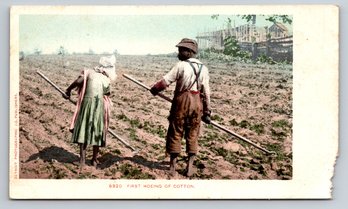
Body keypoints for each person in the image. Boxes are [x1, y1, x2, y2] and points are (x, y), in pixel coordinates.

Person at [150, 38, 211, 177]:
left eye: (181, 50)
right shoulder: (204, 68)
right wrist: (207, 111)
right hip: (197, 104)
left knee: (175, 131)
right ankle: (189, 167)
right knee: (193, 134)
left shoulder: (181, 66)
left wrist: (155, 89)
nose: (178, 52)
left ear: (189, 52)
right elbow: (206, 92)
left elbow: (166, 82)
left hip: (181, 103)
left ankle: (172, 167)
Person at [63, 55, 116, 169]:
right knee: (97, 130)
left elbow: (78, 81)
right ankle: (94, 160)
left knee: (84, 129)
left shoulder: (89, 73)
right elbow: (106, 94)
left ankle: (82, 160)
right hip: (99, 105)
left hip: (87, 104)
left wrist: (68, 90)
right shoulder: (106, 79)